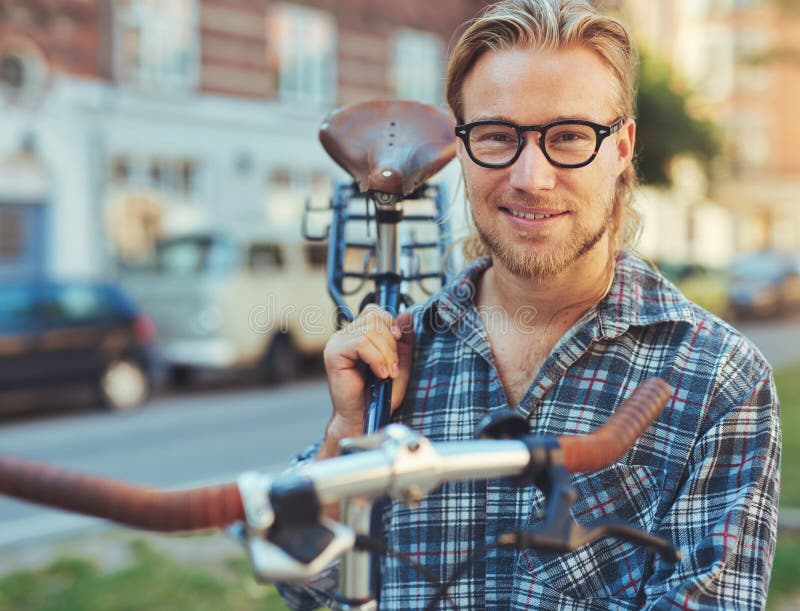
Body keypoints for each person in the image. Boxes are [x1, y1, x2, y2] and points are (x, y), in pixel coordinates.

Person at [279, 0, 781, 608]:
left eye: (569, 136)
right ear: (459, 149)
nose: (531, 177)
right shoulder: (398, 360)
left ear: (622, 148)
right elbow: (304, 584)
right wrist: (346, 434)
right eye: (497, 136)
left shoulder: (717, 380)